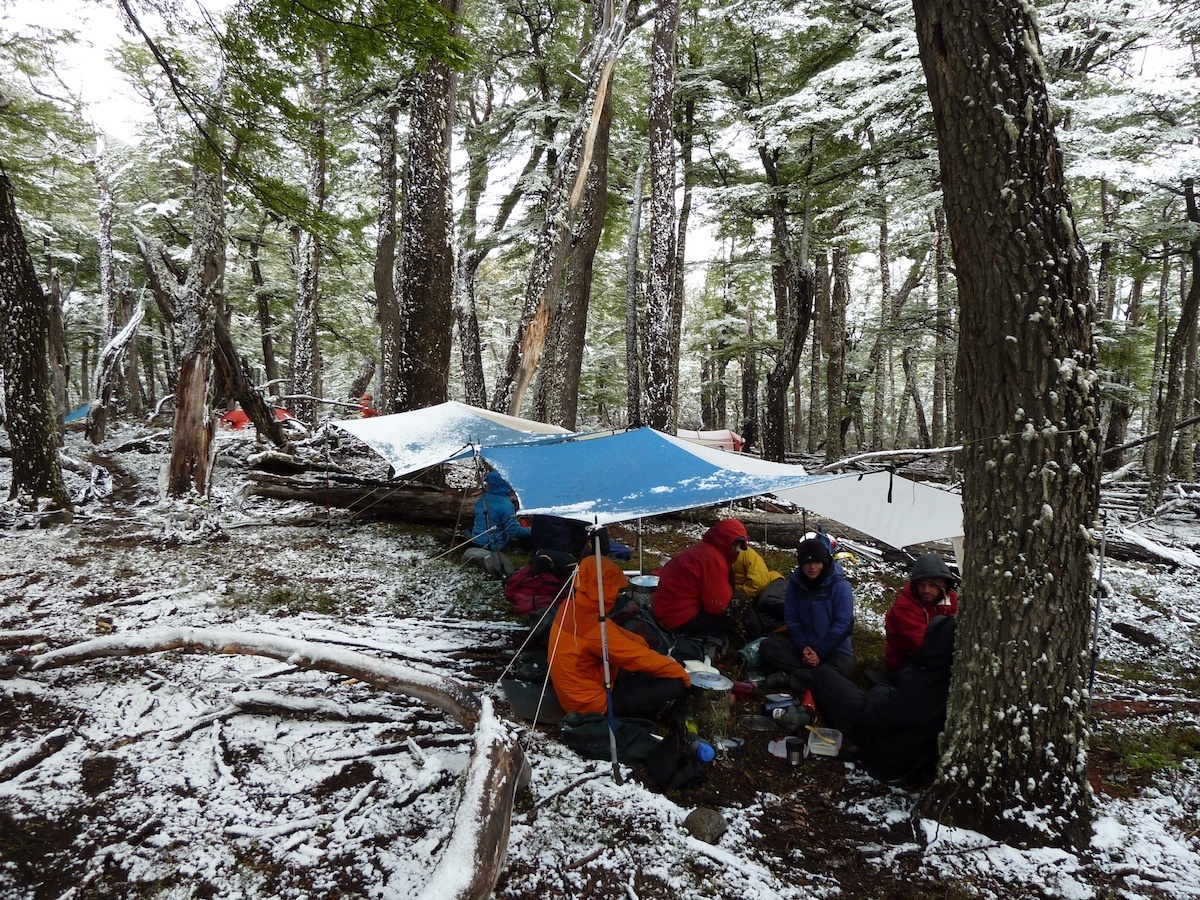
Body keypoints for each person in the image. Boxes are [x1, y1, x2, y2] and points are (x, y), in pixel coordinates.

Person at [812, 616, 957, 784]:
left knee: (824, 676)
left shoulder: (923, 680)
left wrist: (881, 689)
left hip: (887, 752)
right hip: (911, 749)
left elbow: (876, 717)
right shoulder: (951, 679)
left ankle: (834, 728)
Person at [550, 555, 691, 719]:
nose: (617, 595)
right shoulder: (595, 629)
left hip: (574, 692)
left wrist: (642, 643)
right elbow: (635, 657)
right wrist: (681, 673)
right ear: (605, 590)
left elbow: (618, 635)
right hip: (590, 705)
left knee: (645, 667)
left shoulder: (571, 605)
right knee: (675, 685)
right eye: (615, 590)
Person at [759, 536, 855, 692]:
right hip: (805, 648)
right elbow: (792, 619)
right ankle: (816, 678)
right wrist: (804, 648)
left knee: (846, 667)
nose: (812, 567)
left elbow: (844, 624)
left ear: (824, 562)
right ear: (801, 563)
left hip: (834, 650)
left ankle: (791, 678)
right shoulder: (795, 584)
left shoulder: (840, 586)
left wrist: (820, 652)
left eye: (817, 562)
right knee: (767, 646)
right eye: (808, 563)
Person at [651, 518, 749, 638]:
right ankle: (755, 638)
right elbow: (717, 606)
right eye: (738, 544)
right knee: (739, 600)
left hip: (665, 612)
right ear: (729, 543)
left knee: (735, 597)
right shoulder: (714, 560)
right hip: (680, 620)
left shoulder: (702, 550)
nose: (739, 551)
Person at [884, 553, 959, 673]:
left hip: (940, 656)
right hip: (907, 662)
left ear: (942, 586)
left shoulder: (951, 599)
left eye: (932, 585)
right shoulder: (904, 607)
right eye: (922, 585)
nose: (926, 590)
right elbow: (922, 645)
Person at [471, 470, 531, 551]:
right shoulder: (506, 505)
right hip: (494, 546)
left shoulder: (482, 499)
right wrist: (532, 530)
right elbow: (514, 531)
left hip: (476, 541)